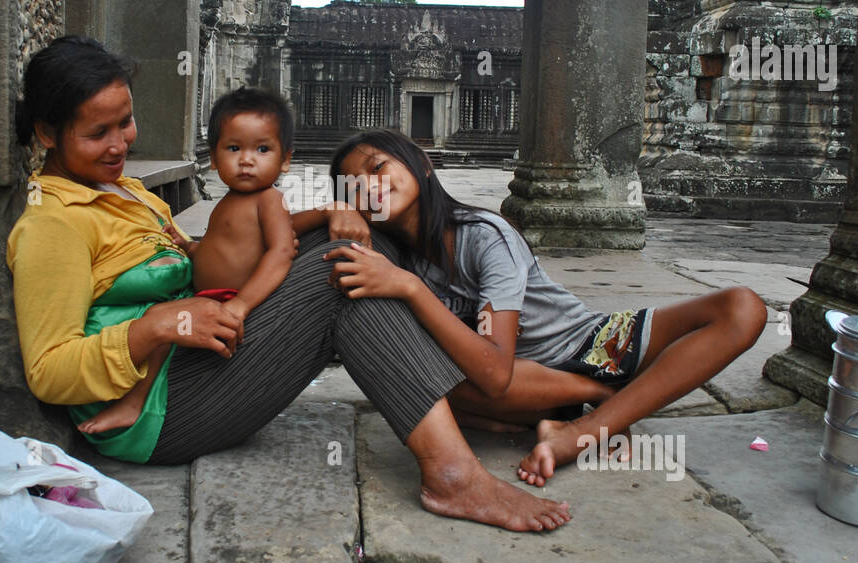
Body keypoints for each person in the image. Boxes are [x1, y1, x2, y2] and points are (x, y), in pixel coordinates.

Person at [6, 36, 571, 532]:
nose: (120, 144)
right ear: (48, 133)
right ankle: (451, 473)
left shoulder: (127, 193)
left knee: (368, 248)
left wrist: (327, 212)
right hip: (157, 411)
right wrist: (158, 325)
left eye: (125, 122)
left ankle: (462, 398)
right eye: (96, 133)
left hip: (197, 351)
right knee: (341, 273)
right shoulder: (53, 224)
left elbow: (211, 255)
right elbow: (48, 371)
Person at [324, 129, 768, 487]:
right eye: (353, 185)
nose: (369, 185)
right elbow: (273, 219)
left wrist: (411, 289)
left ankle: (586, 427)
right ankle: (595, 408)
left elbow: (495, 373)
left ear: (421, 165)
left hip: (594, 345)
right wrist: (331, 213)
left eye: (378, 166)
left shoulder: (484, 234)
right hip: (527, 383)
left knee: (744, 308)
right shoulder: (395, 257)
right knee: (424, 383)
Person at [78, 86, 297, 434]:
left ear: (285, 159)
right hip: (209, 297)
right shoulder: (229, 201)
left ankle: (134, 404)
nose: (247, 160)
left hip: (232, 299)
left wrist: (241, 305)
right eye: (234, 148)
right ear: (213, 157)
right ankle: (139, 399)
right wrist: (188, 247)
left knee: (164, 328)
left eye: (263, 149)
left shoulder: (268, 200)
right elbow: (219, 251)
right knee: (162, 325)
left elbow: (282, 251)